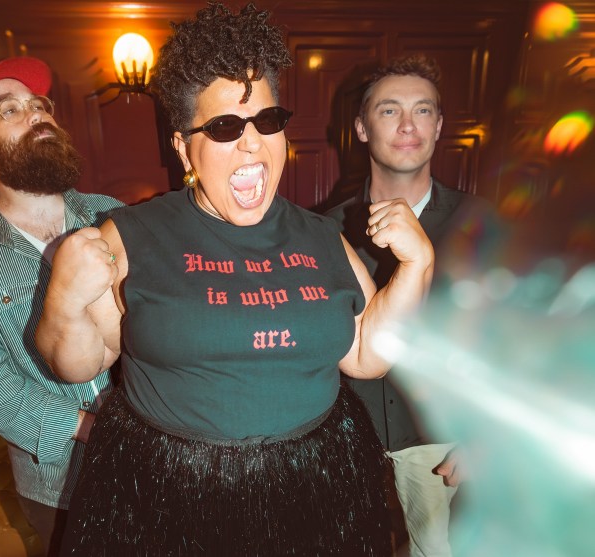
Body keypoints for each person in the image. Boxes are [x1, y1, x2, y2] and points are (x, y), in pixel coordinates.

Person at [37, 4, 433, 555]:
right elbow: (76, 362)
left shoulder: (321, 236)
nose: (252, 144)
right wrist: (65, 298)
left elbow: (368, 354)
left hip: (312, 492)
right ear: (183, 148)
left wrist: (418, 267)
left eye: (268, 122)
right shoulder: (132, 235)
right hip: (170, 497)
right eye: (224, 127)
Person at [0, 54, 123, 555]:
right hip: (60, 485)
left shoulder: (112, 216)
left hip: (163, 457)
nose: (35, 114)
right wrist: (90, 430)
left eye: (39, 104)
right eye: (7, 109)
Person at [326, 54, 500, 557]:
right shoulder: (324, 230)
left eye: (423, 111)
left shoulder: (484, 225)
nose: (407, 125)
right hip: (346, 455)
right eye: (388, 111)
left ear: (440, 125)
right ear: (360, 127)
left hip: (443, 452)